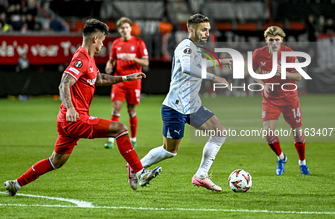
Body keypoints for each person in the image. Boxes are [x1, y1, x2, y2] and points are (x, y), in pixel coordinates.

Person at [4, 19, 161, 196]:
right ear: (95, 38)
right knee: (120, 129)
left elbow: (99, 78)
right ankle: (140, 172)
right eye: (102, 40)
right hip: (75, 118)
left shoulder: (89, 59)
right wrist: (71, 108)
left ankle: (15, 184)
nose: (102, 44)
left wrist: (126, 78)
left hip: (67, 121)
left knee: (56, 161)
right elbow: (64, 83)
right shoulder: (81, 58)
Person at [126, 14, 232, 191]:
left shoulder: (196, 48)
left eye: (208, 30)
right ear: (192, 30)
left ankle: (201, 176)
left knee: (219, 132)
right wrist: (214, 76)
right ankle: (136, 166)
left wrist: (219, 62)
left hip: (192, 106)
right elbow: (187, 68)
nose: (207, 33)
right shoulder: (186, 46)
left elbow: (197, 65)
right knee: (169, 151)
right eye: (203, 30)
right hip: (175, 106)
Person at [252, 26, 310, 176]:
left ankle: (302, 162)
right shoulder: (258, 54)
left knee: (297, 133)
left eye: (277, 40)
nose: (274, 43)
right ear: (266, 40)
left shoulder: (289, 54)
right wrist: (263, 85)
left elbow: (298, 76)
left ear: (282, 40)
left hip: (289, 97)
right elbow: (254, 72)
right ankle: (281, 157)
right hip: (270, 98)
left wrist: (282, 70)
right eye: (271, 40)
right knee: (268, 133)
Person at [104, 17, 149, 149]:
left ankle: (133, 138)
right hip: (119, 80)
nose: (124, 30)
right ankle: (111, 140)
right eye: (122, 28)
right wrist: (109, 66)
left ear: (130, 28)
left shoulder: (139, 42)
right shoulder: (116, 43)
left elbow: (146, 62)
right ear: (119, 30)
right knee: (116, 108)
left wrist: (133, 58)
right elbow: (111, 60)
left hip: (134, 81)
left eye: (126, 27)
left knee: (131, 110)